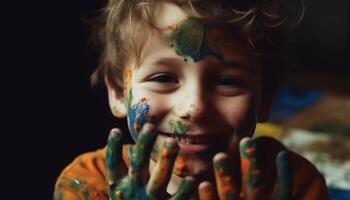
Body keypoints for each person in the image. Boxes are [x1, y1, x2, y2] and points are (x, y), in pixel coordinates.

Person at [54, 0, 329, 199]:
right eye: (163, 78)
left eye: (227, 82)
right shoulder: (89, 184)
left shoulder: (291, 185)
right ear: (116, 91)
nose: (194, 108)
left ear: (265, 99)